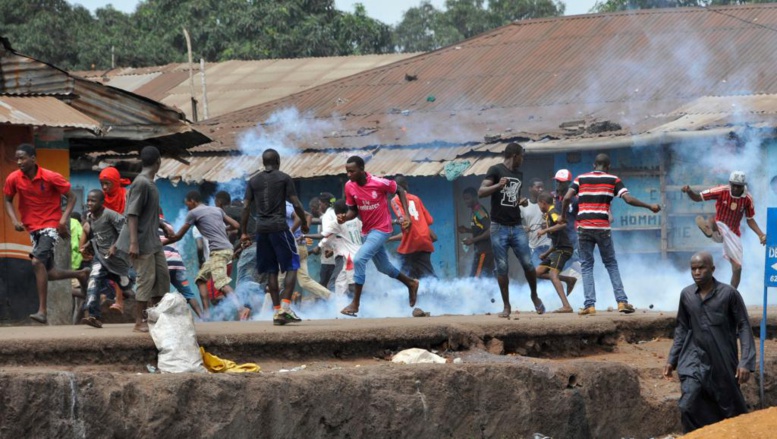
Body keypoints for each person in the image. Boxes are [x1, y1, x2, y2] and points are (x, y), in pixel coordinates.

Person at [663, 251, 755, 434]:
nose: (697, 272)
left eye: (701, 268)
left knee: (729, 410)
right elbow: (682, 328)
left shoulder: (729, 294)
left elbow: (744, 326)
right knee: (687, 405)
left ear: (712, 269)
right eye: (693, 269)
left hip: (722, 362)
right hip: (693, 359)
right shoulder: (687, 295)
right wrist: (672, 359)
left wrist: (745, 361)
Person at [562, 153, 661, 316]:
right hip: (602, 228)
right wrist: (650, 206)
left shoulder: (580, 179)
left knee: (586, 266)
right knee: (611, 264)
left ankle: (589, 305)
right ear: (608, 167)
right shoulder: (613, 180)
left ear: (594, 165)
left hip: (584, 227)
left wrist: (563, 216)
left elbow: (566, 198)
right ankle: (622, 302)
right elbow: (628, 199)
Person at [3, 143, 89, 324]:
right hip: (32, 228)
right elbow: (7, 199)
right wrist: (14, 220)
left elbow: (72, 196)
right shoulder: (14, 178)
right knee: (49, 273)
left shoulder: (50, 177)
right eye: (17, 159)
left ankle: (42, 311)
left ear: (33, 159)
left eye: (22, 158)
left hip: (50, 225)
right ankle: (81, 274)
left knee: (37, 261)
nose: (19, 162)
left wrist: (63, 220)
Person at [338, 155, 420, 317]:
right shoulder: (349, 186)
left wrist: (407, 216)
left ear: (362, 170)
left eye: (352, 171)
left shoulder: (379, 182)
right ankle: (411, 283)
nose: (349, 175)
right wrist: (345, 217)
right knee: (384, 267)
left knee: (359, 259)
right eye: (347, 172)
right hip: (366, 231)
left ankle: (355, 303)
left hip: (382, 229)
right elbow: (353, 210)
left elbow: (400, 190)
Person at [240, 148, 308, 326]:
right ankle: (285, 308)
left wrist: (244, 232)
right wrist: (304, 222)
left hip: (261, 230)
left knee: (271, 270)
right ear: (278, 161)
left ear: (264, 162)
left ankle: (277, 311)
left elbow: (245, 207)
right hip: (279, 227)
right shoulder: (284, 178)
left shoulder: (253, 181)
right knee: (293, 265)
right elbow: (296, 203)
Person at [478, 142, 543, 318]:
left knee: (528, 264)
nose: (523, 160)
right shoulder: (495, 170)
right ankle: (506, 306)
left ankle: (534, 296)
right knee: (502, 266)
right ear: (515, 156)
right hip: (498, 227)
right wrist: (497, 186)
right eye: (522, 156)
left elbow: (511, 198)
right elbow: (481, 192)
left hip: (517, 226)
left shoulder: (518, 175)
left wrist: (520, 201)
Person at [167, 190, 248, 320]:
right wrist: (222, 229)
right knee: (200, 279)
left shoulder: (193, 213)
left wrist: (162, 242)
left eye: (188, 204)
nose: (187, 207)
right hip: (224, 250)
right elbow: (236, 225)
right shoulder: (217, 210)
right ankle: (206, 314)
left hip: (219, 251)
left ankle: (241, 309)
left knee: (221, 283)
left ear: (193, 201)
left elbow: (178, 236)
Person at [114, 146, 170, 333]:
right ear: (158, 162)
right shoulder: (141, 183)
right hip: (141, 241)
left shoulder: (150, 184)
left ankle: (156, 318)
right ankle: (139, 321)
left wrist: (162, 226)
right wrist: (133, 243)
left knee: (162, 278)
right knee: (146, 279)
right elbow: (132, 214)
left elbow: (147, 213)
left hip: (153, 240)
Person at [681, 171, 766, 289]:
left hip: (733, 233)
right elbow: (698, 197)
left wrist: (761, 234)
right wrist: (689, 191)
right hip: (719, 225)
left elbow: (750, 219)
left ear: (743, 186)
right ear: (730, 183)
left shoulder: (747, 198)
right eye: (734, 185)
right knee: (711, 220)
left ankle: (732, 292)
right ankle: (710, 230)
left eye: (739, 186)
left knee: (737, 268)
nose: (736, 188)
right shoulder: (721, 190)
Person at [79, 190, 134, 328]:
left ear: (102, 202)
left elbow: (126, 230)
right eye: (88, 200)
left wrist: (115, 246)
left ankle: (140, 309)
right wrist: (88, 245)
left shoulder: (110, 215)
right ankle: (93, 316)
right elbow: (98, 237)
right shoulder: (90, 217)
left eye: (93, 200)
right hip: (101, 258)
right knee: (93, 281)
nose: (89, 203)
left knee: (126, 287)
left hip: (117, 259)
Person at [389, 175, 436, 279]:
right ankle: (437, 288)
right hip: (424, 239)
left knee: (404, 274)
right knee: (425, 274)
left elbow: (404, 221)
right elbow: (429, 220)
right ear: (406, 186)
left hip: (411, 242)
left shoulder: (395, 200)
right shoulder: (416, 198)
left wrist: (393, 222)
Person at [535, 193, 576, 313]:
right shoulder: (549, 214)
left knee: (553, 275)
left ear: (543, 203)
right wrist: (546, 253)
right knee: (537, 272)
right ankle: (568, 280)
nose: (539, 207)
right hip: (558, 249)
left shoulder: (552, 212)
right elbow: (556, 241)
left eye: (539, 205)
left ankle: (567, 306)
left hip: (564, 249)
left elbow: (562, 224)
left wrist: (545, 230)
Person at [285, 200, 331, 302]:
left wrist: (290, 234)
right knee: (304, 281)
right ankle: (332, 297)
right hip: (301, 247)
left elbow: (303, 217)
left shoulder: (283, 206)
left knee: (279, 280)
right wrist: (303, 233)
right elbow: (309, 216)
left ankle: (271, 309)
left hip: (291, 247)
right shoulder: (291, 205)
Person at [159, 218, 204, 318]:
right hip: (177, 263)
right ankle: (202, 317)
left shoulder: (150, 223)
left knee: (158, 294)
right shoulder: (168, 224)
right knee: (188, 293)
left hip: (162, 263)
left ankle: (157, 320)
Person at [318, 199, 362, 296]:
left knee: (348, 285)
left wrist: (305, 236)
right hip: (359, 254)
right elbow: (347, 238)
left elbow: (324, 235)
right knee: (342, 284)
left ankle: (356, 303)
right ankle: (344, 304)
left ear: (336, 211)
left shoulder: (338, 222)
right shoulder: (356, 220)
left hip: (349, 257)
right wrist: (332, 250)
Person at [458, 187, 494, 278]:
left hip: (484, 251)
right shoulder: (474, 211)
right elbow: (481, 229)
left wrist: (472, 240)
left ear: (475, 197)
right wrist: (467, 230)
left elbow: (490, 230)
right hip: (482, 251)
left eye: (468, 198)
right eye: (464, 199)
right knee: (488, 277)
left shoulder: (479, 211)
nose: (466, 201)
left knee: (475, 278)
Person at [520, 178, 552, 267]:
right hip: (534, 246)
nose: (540, 189)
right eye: (538, 187)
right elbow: (514, 223)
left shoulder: (548, 203)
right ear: (530, 189)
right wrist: (523, 227)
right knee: (537, 271)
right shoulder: (523, 206)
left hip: (549, 244)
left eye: (542, 187)